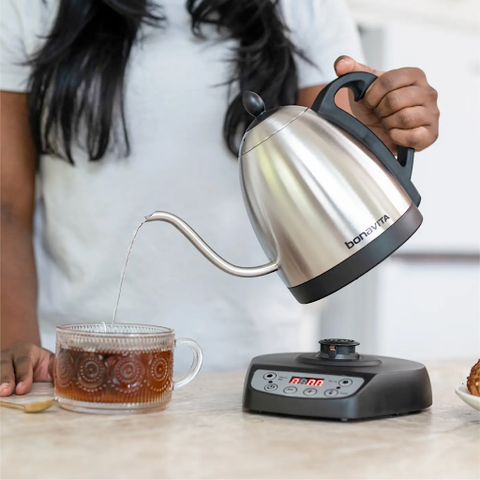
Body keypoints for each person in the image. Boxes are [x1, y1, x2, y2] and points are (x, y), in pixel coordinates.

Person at [0, 0, 439, 397]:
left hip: (259, 370)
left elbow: (327, 167)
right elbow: (6, 209)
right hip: (85, 367)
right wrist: (17, 347)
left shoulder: (304, 8)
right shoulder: (30, 9)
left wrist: (373, 135)